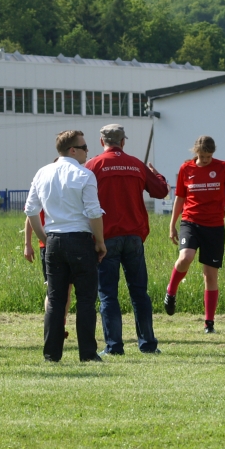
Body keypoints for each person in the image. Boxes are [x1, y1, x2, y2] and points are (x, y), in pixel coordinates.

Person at [86, 124, 170, 355]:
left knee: (108, 295)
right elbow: (161, 191)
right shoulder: (136, 165)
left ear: (102, 142)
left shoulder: (93, 165)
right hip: (134, 236)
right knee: (139, 293)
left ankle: (114, 346)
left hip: (105, 238)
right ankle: (148, 344)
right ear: (123, 142)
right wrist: (157, 174)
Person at [24, 130, 107, 362]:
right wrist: (100, 242)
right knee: (86, 300)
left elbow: (30, 210)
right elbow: (93, 212)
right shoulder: (85, 175)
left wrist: (44, 236)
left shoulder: (42, 172)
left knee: (55, 300)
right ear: (73, 150)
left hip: (53, 240)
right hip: (80, 240)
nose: (87, 151)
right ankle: (87, 354)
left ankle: (51, 354)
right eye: (84, 147)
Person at [164, 136, 225, 334]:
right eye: (202, 156)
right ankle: (171, 291)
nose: (206, 160)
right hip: (190, 222)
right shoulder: (186, 169)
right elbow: (179, 198)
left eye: (209, 156)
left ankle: (209, 322)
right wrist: (172, 225)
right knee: (186, 257)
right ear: (196, 153)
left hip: (215, 226)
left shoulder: (223, 167)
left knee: (210, 275)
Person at [24, 208, 71, 339]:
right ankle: (53, 326)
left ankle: (60, 324)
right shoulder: (41, 194)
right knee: (53, 290)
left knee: (67, 288)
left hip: (67, 242)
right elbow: (30, 216)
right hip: (47, 244)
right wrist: (27, 244)